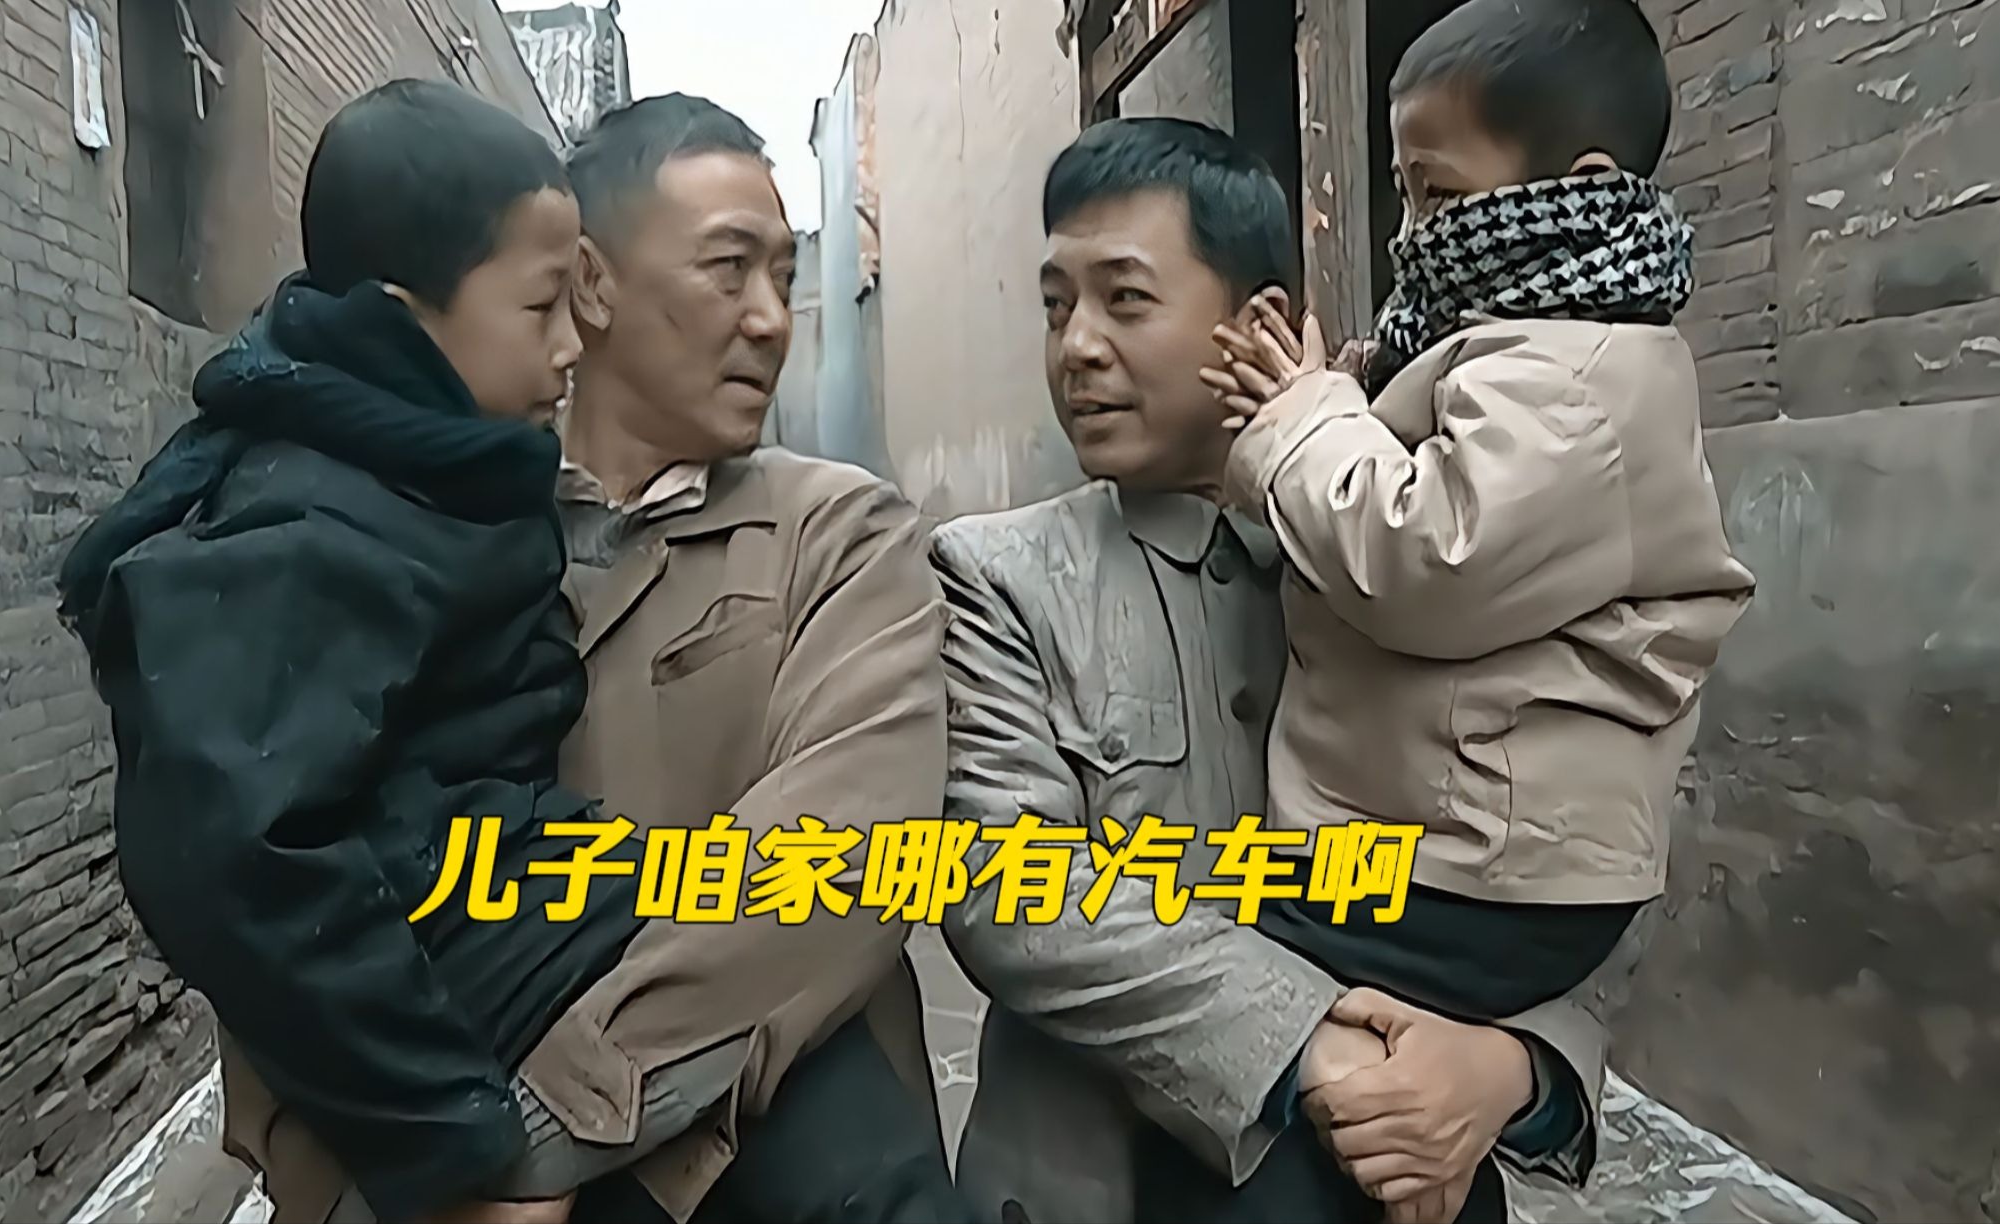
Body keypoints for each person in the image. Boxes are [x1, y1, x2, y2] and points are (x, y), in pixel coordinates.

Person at [934, 116, 1631, 1224]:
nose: (1076, 348)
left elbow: (1551, 846)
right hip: (1105, 1188)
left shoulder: (1407, 553)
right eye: (1056, 306)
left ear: (1255, 323)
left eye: (1124, 299)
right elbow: (1008, 886)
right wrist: (1312, 1046)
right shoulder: (999, 577)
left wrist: (1510, 1069)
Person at [1205, 0, 1756, 1216]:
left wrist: (1299, 419)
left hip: (1475, 871)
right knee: (1374, 1102)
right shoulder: (1521, 345)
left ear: (1580, 187)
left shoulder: (1576, 375)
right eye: (1403, 196)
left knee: (1213, 946)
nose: (1413, 235)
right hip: (1467, 852)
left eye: (1439, 196)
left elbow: (1423, 561)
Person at [59, 80, 644, 1224]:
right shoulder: (314, 520)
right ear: (401, 319)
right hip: (439, 989)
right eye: (540, 308)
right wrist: (449, 1139)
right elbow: (228, 848)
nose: (573, 346)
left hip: (505, 912)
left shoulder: (435, 467)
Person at [513, 94, 969, 1224]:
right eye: (728, 271)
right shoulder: (455, 536)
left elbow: (846, 854)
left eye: (783, 275)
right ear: (591, 283)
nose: (771, 319)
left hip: (789, 1158)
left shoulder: (840, 534)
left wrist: (537, 1123)